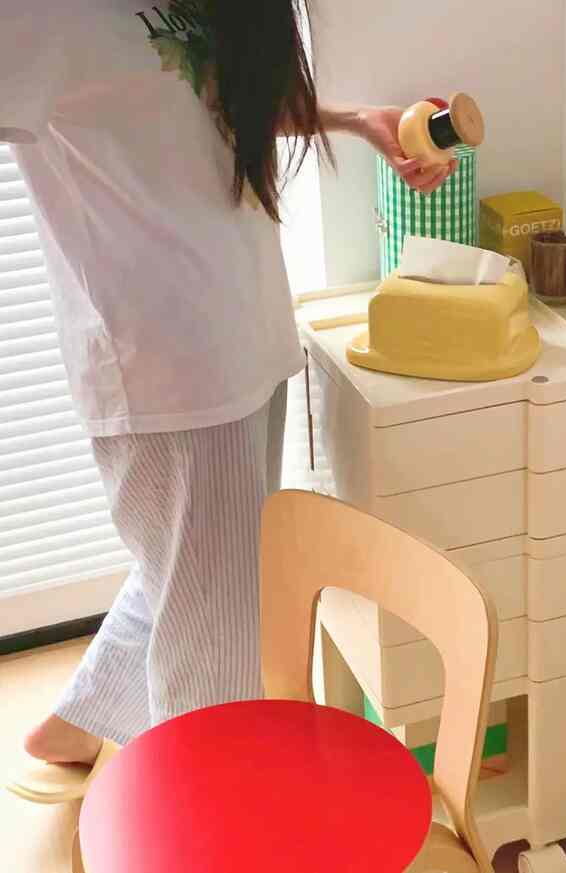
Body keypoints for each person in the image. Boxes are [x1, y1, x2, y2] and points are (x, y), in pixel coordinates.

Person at [2, 0, 455, 788]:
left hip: (246, 334)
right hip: (166, 372)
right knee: (217, 640)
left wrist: (355, 120)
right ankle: (203, 814)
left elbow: (217, 107)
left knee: (200, 571)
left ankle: (80, 722)